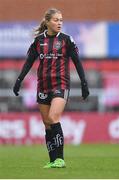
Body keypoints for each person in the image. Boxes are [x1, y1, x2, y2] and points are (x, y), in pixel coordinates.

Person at [13, 8, 89, 168]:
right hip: (42, 86)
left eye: (61, 20)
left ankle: (60, 159)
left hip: (61, 84)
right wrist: (19, 80)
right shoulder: (38, 41)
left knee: (54, 118)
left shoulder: (67, 40)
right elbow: (28, 62)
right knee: (47, 123)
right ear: (47, 22)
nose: (59, 23)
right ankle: (53, 160)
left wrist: (83, 82)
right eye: (56, 20)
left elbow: (77, 61)